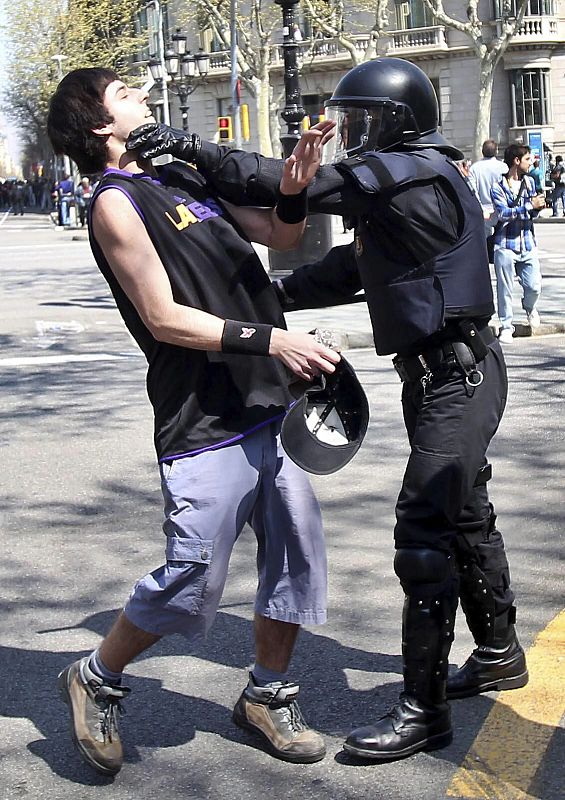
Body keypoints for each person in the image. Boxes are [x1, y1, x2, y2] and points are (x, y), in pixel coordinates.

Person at [130, 56, 529, 763]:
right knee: (463, 515)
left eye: (363, 120)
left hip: (457, 376)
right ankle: (497, 654)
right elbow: (348, 271)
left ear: (399, 121)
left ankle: (423, 711)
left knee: (423, 532)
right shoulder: (404, 185)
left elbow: (295, 185)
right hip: (441, 374)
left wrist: (189, 146)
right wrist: (263, 305)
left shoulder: (413, 170)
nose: (352, 133)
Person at [46, 66, 341, 777]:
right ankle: (96, 674)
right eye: (125, 95)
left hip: (270, 401)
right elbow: (163, 318)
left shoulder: (181, 175)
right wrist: (272, 338)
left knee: (295, 559)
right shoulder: (114, 203)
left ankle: (268, 695)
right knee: (191, 577)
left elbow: (277, 233)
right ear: (96, 125)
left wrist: (296, 186)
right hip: (203, 413)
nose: (143, 98)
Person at [490, 143, 545, 344]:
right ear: (516, 161)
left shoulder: (529, 182)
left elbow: (532, 210)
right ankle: (506, 326)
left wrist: (537, 207)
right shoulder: (498, 187)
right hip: (506, 244)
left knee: (534, 286)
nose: (531, 162)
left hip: (528, 243)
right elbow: (503, 214)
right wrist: (530, 205)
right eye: (528, 159)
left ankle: (530, 307)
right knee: (504, 288)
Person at [468, 139, 508, 263]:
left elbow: (472, 190)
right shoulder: (503, 167)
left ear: (482, 151)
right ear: (496, 151)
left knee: (484, 240)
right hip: (500, 206)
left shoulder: (474, 168)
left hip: (483, 208)